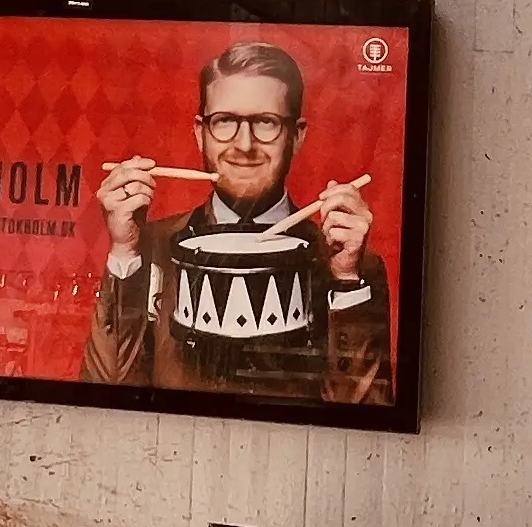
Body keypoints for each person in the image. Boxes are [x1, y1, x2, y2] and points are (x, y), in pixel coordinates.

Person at [85, 41, 387, 406]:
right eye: (225, 121)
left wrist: (347, 282)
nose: (244, 144)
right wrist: (124, 253)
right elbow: (103, 396)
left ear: (297, 136)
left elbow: (367, 416)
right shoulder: (151, 247)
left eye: (266, 122)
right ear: (200, 133)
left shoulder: (349, 261)